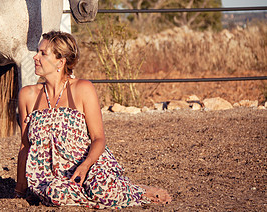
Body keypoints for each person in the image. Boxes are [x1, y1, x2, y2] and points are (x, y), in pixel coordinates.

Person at [15, 31, 171, 209]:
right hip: (51, 176)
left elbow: (98, 138)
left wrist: (86, 165)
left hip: (88, 163)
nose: (35, 57)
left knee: (101, 189)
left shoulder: (83, 89)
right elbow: (25, 146)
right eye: (37, 51)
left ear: (60, 61)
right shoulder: (28, 95)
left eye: (43, 53)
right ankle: (92, 192)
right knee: (55, 194)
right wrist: (20, 190)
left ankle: (137, 190)